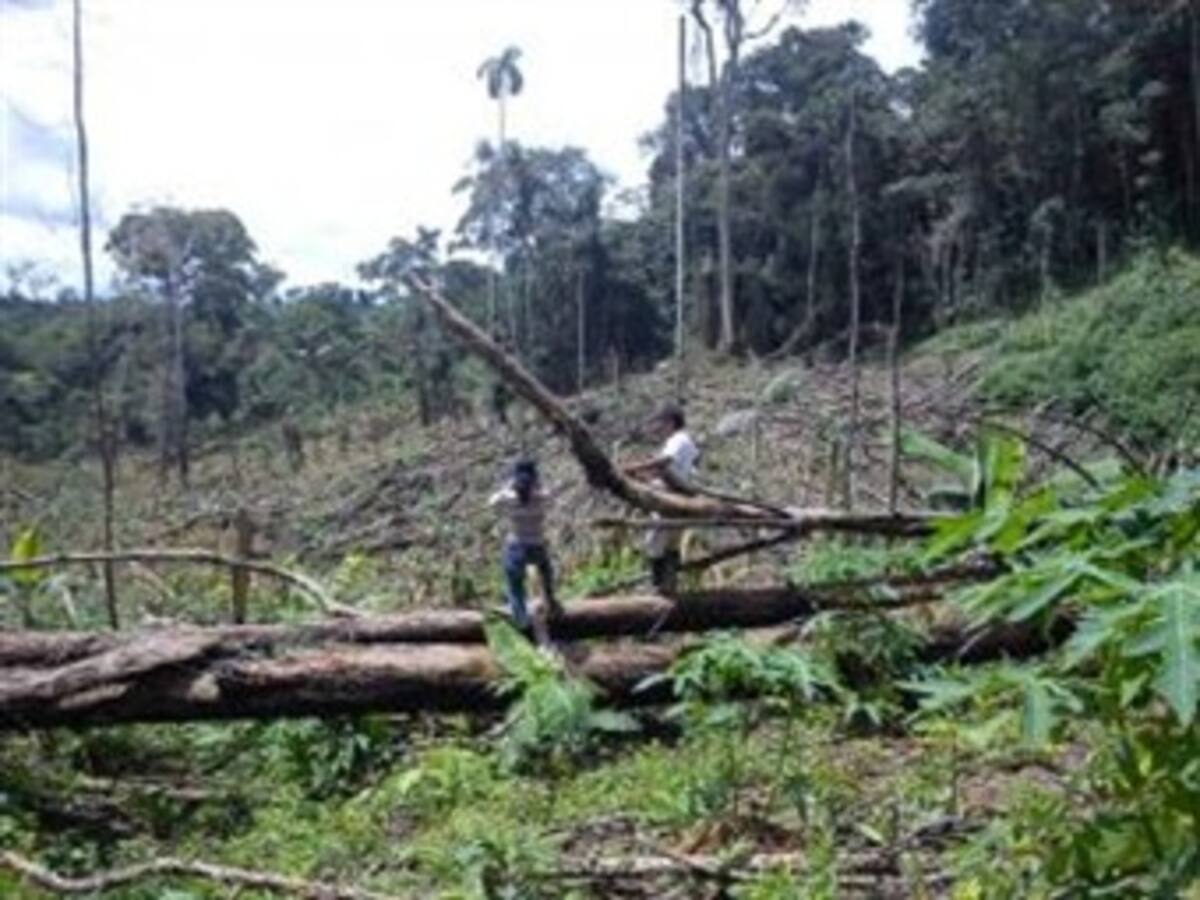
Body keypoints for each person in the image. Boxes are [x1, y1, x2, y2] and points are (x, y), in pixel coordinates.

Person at [623, 403, 699, 594]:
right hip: (677, 496)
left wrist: (636, 467)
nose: (658, 428)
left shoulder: (679, 439)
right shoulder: (678, 441)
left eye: (661, 423)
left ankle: (659, 586)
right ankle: (669, 585)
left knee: (655, 542)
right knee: (670, 543)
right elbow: (663, 472)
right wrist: (640, 476)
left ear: (671, 422)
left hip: (672, 498)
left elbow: (665, 463)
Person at [488, 458, 563, 631]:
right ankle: (551, 602)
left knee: (515, 586)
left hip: (517, 546)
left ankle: (521, 619)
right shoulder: (542, 496)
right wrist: (539, 486)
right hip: (537, 545)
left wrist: (507, 487)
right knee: (546, 576)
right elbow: (552, 498)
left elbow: (491, 502)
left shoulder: (509, 498)